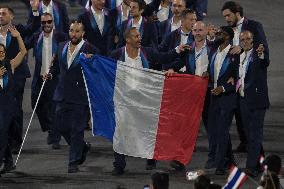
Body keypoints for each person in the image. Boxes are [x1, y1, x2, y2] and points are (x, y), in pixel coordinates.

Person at [110, 27, 179, 175]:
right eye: (135, 36)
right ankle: (119, 165)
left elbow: (163, 57)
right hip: (124, 100)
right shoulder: (116, 54)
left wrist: (178, 51)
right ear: (128, 39)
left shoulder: (147, 52)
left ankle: (150, 159)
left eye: (139, 36)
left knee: (147, 130)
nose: (139, 38)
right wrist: (90, 58)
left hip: (145, 98)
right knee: (120, 132)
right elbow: (104, 67)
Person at [221, 1, 269, 153]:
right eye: (225, 16)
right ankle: (245, 142)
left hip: (250, 80)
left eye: (228, 15)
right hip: (234, 78)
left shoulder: (254, 26)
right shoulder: (228, 30)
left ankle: (257, 154)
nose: (227, 19)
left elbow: (262, 49)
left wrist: (242, 47)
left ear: (237, 12)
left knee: (251, 123)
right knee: (239, 114)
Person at [165, 21, 213, 171]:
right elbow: (180, 61)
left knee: (213, 128)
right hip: (193, 94)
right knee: (187, 127)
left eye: (200, 30)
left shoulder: (213, 48)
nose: (197, 33)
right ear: (192, 32)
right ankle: (180, 159)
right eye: (195, 30)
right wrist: (172, 68)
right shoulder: (188, 49)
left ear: (206, 31)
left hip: (210, 93)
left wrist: (210, 75)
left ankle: (220, 158)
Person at [52, 20, 99, 173]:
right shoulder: (61, 47)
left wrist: (93, 61)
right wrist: (50, 74)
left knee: (77, 130)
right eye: (72, 30)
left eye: (77, 31)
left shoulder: (91, 49)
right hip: (62, 94)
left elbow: (97, 72)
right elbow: (56, 68)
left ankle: (73, 162)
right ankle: (82, 147)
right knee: (60, 126)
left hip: (81, 97)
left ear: (83, 33)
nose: (74, 34)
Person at [0, 4, 40, 154]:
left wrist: (35, 9)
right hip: (1, 77)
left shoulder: (19, 30)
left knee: (15, 109)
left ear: (11, 16)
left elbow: (34, 26)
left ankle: (16, 141)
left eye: (3, 13)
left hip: (17, 76)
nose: (0, 16)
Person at [25, 13, 68, 149]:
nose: (46, 25)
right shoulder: (37, 36)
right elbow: (24, 46)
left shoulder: (60, 37)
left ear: (53, 22)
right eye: (43, 23)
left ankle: (55, 137)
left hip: (55, 78)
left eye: (49, 22)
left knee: (54, 108)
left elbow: (67, 54)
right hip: (39, 77)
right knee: (35, 104)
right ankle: (50, 127)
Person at [206, 26, 239, 175]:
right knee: (218, 130)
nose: (218, 35)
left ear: (228, 37)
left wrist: (224, 88)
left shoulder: (235, 54)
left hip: (227, 98)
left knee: (222, 131)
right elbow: (213, 70)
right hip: (214, 97)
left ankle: (221, 165)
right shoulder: (214, 51)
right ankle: (230, 161)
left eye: (221, 33)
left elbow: (239, 79)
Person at [238, 30, 269, 177]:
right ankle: (262, 164)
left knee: (254, 135)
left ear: (252, 40)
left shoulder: (258, 54)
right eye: (242, 39)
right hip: (244, 100)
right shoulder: (241, 56)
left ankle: (251, 167)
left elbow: (265, 61)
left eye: (247, 39)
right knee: (251, 135)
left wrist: (262, 53)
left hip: (257, 102)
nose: (245, 42)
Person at [0, 26, 27, 175]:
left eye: (2, 52)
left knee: (3, 133)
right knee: (2, 134)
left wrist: (18, 37)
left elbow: (23, 52)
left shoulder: (10, 65)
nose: (1, 55)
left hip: (8, 106)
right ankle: (9, 162)